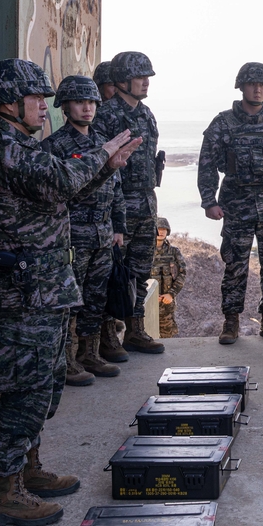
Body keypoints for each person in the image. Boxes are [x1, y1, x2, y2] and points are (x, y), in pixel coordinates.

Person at [0, 58, 140, 526]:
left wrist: (107, 167)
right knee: (24, 392)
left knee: (44, 389)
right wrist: (103, 154)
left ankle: (27, 470)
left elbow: (66, 193)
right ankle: (3, 493)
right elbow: (64, 180)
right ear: (9, 103)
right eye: (36, 100)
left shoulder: (22, 145)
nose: (44, 108)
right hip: (25, 293)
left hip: (46, 287)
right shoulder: (4, 148)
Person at [198, 62, 263, 345]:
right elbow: (207, 162)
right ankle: (230, 321)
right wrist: (209, 201)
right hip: (237, 207)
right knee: (235, 266)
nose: (257, 89)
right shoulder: (223, 123)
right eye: (252, 84)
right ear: (241, 86)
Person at [41, 75, 124, 383]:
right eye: (79, 102)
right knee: (70, 301)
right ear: (65, 106)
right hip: (72, 235)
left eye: (91, 102)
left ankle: (90, 353)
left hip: (103, 234)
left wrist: (119, 227)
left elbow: (117, 188)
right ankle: (66, 360)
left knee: (96, 298)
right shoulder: (54, 146)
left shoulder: (104, 142)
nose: (87, 108)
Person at [92, 51, 164, 355]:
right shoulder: (105, 116)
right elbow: (103, 168)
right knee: (113, 272)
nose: (145, 82)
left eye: (147, 76)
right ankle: (107, 337)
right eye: (139, 77)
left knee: (141, 269)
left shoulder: (147, 114)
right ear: (122, 80)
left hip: (146, 204)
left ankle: (135, 330)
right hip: (117, 206)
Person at [152, 217, 188, 338]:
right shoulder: (145, 252)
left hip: (167, 303)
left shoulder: (174, 252)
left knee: (167, 337)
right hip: (147, 303)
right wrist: (149, 295)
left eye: (164, 229)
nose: (161, 232)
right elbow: (137, 275)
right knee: (147, 335)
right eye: (158, 229)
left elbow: (182, 274)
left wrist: (171, 294)